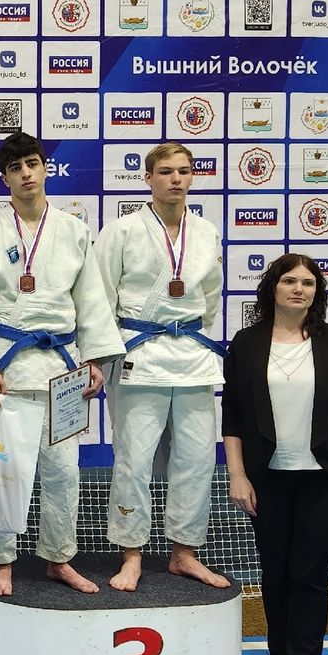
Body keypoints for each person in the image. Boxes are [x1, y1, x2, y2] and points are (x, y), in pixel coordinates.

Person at [0, 132, 126, 595]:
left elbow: (91, 301)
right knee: (4, 470)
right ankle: (0, 562)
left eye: (32, 164)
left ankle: (59, 557)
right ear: (4, 178)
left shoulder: (73, 231)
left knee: (63, 472)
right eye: (15, 168)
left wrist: (94, 359)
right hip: (9, 365)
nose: (26, 174)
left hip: (63, 368)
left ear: (45, 168)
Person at [223, 253, 328, 655]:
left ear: (316, 293)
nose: (298, 289)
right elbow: (233, 415)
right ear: (272, 288)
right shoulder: (246, 344)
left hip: (323, 482)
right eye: (289, 280)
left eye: (308, 283)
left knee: (309, 579)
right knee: (274, 576)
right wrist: (237, 474)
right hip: (267, 480)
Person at [94, 141, 231, 591]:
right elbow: (100, 297)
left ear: (192, 177)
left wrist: (188, 331)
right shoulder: (122, 231)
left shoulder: (206, 232)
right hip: (140, 355)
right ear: (148, 177)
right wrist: (99, 356)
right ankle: (131, 552)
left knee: (196, 459)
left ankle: (184, 552)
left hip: (192, 356)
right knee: (134, 459)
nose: (176, 179)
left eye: (184, 171)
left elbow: (210, 295)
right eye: (167, 171)